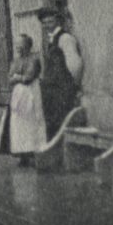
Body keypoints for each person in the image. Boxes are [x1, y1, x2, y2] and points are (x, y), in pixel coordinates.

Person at [38, 7, 84, 140]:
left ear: (57, 21)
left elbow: (75, 64)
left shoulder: (65, 38)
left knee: (62, 124)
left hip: (62, 91)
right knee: (52, 126)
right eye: (44, 22)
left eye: (50, 21)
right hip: (52, 92)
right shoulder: (51, 40)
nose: (47, 25)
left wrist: (74, 86)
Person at [8, 34, 46, 165]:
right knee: (19, 125)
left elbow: (28, 77)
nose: (18, 47)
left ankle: (34, 153)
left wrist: (17, 77)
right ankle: (22, 154)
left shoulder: (33, 59)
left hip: (31, 92)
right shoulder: (15, 61)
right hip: (18, 95)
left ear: (28, 46)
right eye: (17, 44)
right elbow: (10, 77)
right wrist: (18, 77)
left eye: (21, 44)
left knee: (32, 122)